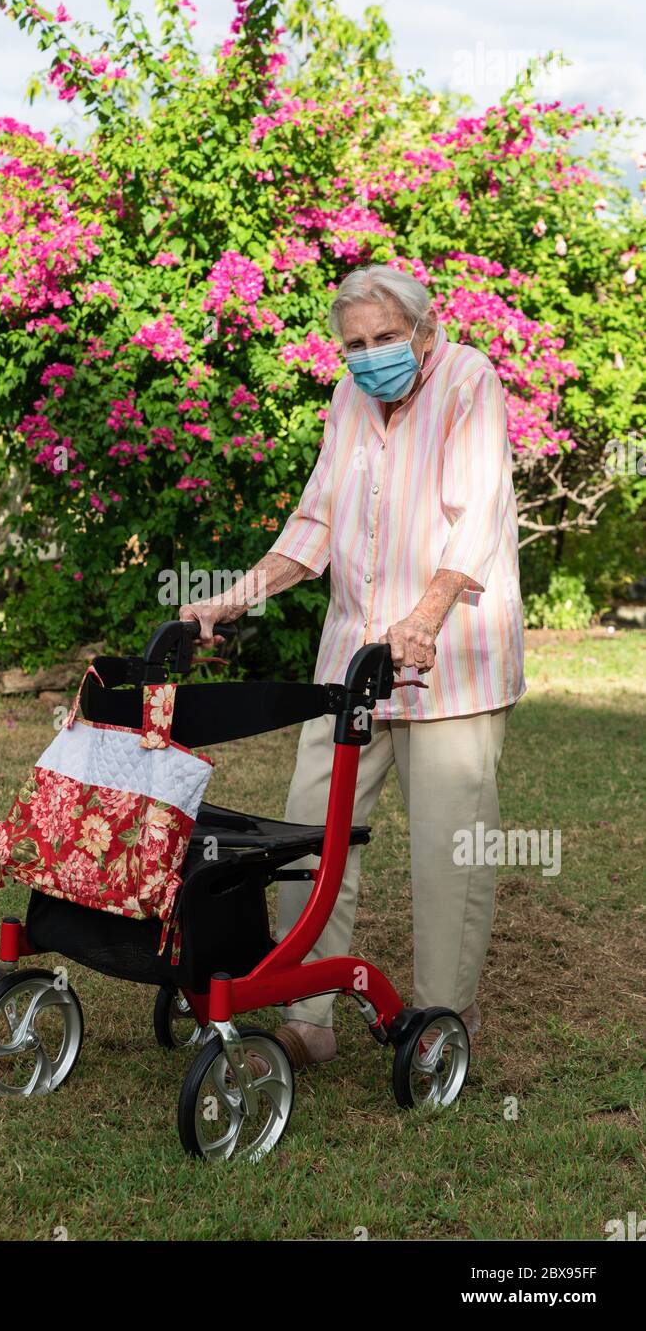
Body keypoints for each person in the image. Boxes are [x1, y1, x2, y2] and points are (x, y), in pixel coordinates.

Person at [179, 264, 525, 1071]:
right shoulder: (347, 399)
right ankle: (307, 1015)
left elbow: (478, 512)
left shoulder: (468, 381)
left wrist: (422, 619)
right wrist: (231, 599)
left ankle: (444, 1019)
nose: (369, 356)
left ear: (424, 330)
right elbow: (316, 521)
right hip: (353, 658)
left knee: (448, 847)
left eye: (383, 339)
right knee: (307, 833)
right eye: (354, 345)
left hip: (449, 658)